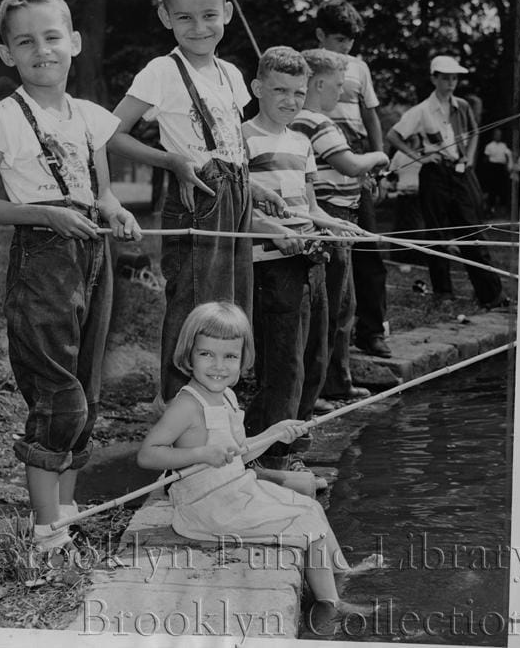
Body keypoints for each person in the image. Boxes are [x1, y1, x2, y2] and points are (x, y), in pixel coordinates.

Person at [0, 0, 142, 552]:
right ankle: (45, 531)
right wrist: (45, 214)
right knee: (57, 396)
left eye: (50, 37)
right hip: (42, 259)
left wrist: (115, 213)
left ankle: (65, 513)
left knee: (86, 391)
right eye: (25, 41)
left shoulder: (90, 117)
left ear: (74, 41)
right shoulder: (4, 118)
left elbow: (104, 191)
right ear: (6, 54)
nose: (41, 50)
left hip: (93, 257)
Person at [108, 0, 283, 409]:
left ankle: (219, 399)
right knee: (193, 302)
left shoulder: (231, 74)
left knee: (230, 303)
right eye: (184, 17)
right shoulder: (161, 71)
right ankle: (176, 404)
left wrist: (254, 187)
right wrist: (172, 161)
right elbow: (111, 133)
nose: (199, 27)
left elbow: (232, 143)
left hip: (236, 194)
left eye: (209, 15)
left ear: (226, 11)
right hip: (197, 195)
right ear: (166, 17)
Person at [137, 301, 378, 629]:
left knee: (310, 507)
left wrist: (275, 433)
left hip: (234, 491)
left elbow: (240, 454)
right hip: (208, 509)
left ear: (242, 359)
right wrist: (201, 454)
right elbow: (148, 454)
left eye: (230, 356)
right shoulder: (187, 405)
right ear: (188, 355)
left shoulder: (226, 396)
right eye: (207, 354)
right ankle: (330, 605)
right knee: (306, 524)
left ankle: (340, 571)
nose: (219, 366)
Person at [241, 46, 359, 476]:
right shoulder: (243, 138)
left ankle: (291, 444)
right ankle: (268, 454)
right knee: (283, 363)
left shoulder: (302, 142)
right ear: (257, 89)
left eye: (297, 92)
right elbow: (240, 212)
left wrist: (336, 225)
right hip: (270, 267)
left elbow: (311, 206)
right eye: (280, 91)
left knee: (315, 359)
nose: (290, 100)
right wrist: (278, 233)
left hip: (311, 260)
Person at [291, 49, 389, 413]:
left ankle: (334, 382)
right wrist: (379, 158)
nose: (342, 94)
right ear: (317, 83)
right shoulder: (315, 121)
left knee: (341, 305)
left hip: (337, 216)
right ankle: (319, 390)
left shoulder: (302, 120)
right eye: (337, 86)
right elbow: (348, 164)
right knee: (331, 307)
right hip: (330, 219)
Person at [387, 55, 508, 309]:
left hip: (461, 172)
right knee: (437, 233)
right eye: (445, 78)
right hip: (435, 174)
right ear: (434, 78)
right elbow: (394, 135)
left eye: (454, 78)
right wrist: (418, 156)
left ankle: (491, 294)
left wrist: (470, 158)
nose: (450, 83)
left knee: (472, 229)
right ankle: (443, 294)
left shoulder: (462, 105)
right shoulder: (421, 110)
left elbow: (475, 131)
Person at [314, 0, 391, 358]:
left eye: (351, 41)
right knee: (328, 251)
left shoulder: (359, 68)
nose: (347, 48)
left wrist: (378, 162)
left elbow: (370, 114)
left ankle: (372, 330)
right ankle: (324, 342)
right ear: (320, 35)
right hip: (319, 158)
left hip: (357, 154)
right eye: (339, 40)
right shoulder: (306, 62)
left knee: (368, 247)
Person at [481, 128, 513, 216]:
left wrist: (507, 167)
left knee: (502, 188)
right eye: (496, 134)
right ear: (493, 135)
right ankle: (490, 209)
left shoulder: (503, 145)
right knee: (492, 189)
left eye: (499, 134)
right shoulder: (489, 146)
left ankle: (502, 209)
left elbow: (507, 157)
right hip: (492, 168)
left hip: (501, 169)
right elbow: (486, 159)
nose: (498, 136)